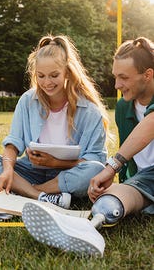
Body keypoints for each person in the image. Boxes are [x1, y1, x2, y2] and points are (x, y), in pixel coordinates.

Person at [22, 37, 153, 256]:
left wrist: (111, 167)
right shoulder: (124, 106)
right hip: (143, 180)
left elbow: (150, 125)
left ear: (147, 75)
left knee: (118, 189)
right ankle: (86, 228)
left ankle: (86, 227)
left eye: (123, 78)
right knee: (109, 200)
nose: (117, 85)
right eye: (115, 77)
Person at [0, 35, 109, 209]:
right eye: (41, 76)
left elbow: (95, 161)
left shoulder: (89, 111)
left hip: (68, 174)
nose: (47, 83)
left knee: (96, 169)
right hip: (30, 171)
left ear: (67, 72)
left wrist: (55, 163)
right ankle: (40, 196)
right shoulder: (27, 100)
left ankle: (29, 191)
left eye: (54, 75)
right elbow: (13, 143)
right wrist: (7, 170)